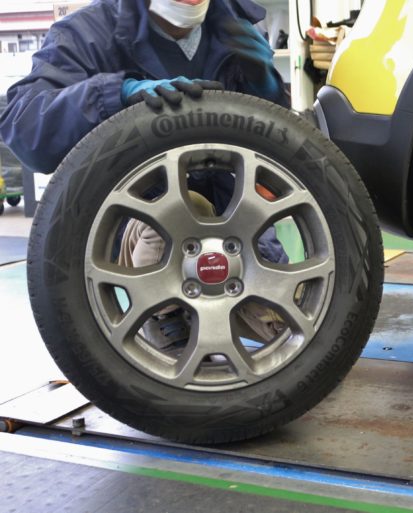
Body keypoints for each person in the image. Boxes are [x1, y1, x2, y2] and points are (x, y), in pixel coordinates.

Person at [0, 0, 291, 348]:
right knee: (183, 207)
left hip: (235, 223)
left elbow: (282, 152)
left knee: (299, 339)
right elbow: (25, 126)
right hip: (137, 219)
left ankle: (258, 303)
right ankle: (163, 316)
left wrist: (266, 87)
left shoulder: (232, 29)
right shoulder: (86, 34)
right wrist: (114, 96)